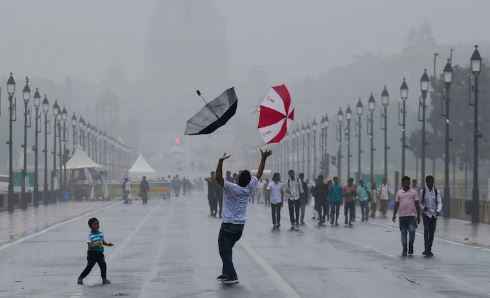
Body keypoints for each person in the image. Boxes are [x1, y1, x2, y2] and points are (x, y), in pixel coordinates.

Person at [215, 149, 271, 285]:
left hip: (228, 225)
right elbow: (259, 173)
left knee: (223, 250)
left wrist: (220, 161)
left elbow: (218, 178)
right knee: (227, 249)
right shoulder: (249, 188)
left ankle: (232, 275)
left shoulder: (231, 187)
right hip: (239, 228)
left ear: (239, 179)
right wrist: (263, 158)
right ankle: (226, 272)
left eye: (239, 175)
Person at [77, 217, 114, 285]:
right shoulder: (90, 235)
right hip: (92, 253)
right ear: (91, 226)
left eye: (98, 223)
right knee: (89, 267)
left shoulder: (100, 233)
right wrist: (96, 243)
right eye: (95, 224)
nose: (97, 225)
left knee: (103, 265)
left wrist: (108, 244)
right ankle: (80, 278)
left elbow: (102, 242)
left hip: (100, 253)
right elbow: (89, 245)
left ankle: (104, 279)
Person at [393, 176, 421, 257]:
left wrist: (418, 216)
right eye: (406, 182)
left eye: (408, 182)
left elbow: (417, 204)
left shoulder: (414, 192)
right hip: (402, 217)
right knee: (403, 233)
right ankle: (404, 248)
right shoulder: (399, 192)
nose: (407, 184)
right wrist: (394, 215)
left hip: (412, 216)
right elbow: (396, 204)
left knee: (412, 231)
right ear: (402, 183)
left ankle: (411, 245)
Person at [420, 175, 442, 257]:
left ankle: (429, 248)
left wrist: (438, 210)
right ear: (426, 182)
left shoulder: (436, 191)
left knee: (432, 232)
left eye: (432, 182)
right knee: (426, 230)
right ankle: (426, 249)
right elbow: (420, 202)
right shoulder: (423, 191)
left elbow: (439, 202)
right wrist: (423, 207)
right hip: (426, 214)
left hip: (434, 215)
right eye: (429, 182)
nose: (430, 183)